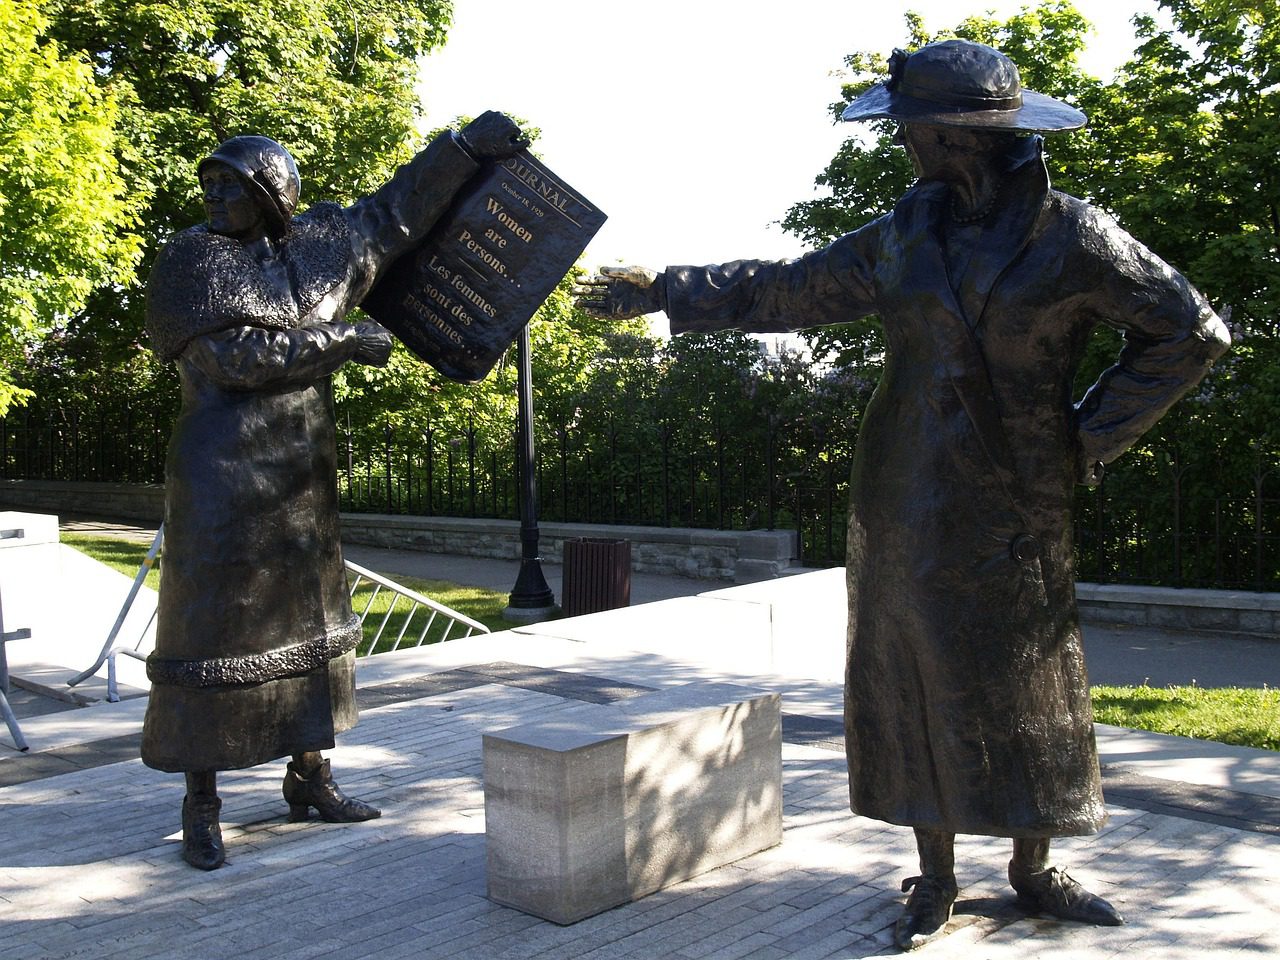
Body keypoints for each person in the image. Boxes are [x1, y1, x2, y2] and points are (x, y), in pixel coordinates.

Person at [576, 40, 1229, 951]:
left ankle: (1034, 865)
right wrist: (666, 291)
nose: (905, 147)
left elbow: (1192, 333)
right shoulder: (904, 235)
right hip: (907, 484)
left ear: (954, 135)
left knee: (1023, 671)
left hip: (1018, 494)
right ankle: (936, 874)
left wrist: (1086, 437)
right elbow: (789, 288)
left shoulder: (1073, 236)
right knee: (911, 666)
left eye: (911, 131)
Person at [143, 112, 526, 870]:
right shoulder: (192, 260)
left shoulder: (324, 248)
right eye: (210, 185)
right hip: (222, 480)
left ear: (272, 193)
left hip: (300, 477)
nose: (214, 197)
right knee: (211, 635)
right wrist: (345, 340)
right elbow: (236, 359)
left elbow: (396, 209)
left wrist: (465, 147)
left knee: (313, 627)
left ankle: (310, 778)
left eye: (232, 185)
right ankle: (202, 802)